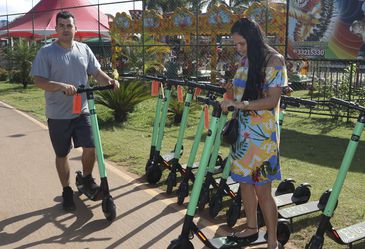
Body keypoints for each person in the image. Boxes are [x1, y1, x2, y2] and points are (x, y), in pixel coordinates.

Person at [31, 11, 120, 212]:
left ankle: (87, 179)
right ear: (56, 30)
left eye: (69, 26)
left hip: (82, 110)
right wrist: (61, 85)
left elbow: (96, 72)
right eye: (61, 26)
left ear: (75, 28)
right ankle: (66, 190)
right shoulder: (46, 53)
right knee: (62, 154)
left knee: (91, 146)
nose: (65, 29)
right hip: (58, 114)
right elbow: (39, 80)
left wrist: (109, 81)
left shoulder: (84, 49)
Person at [220, 18, 287, 249]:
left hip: (262, 137)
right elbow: (237, 92)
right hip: (242, 135)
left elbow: (272, 100)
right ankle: (251, 227)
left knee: (262, 189)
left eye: (241, 44)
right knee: (245, 184)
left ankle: (272, 239)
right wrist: (228, 97)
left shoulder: (274, 60)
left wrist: (242, 105)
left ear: (253, 38)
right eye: (236, 45)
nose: (238, 49)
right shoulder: (245, 60)